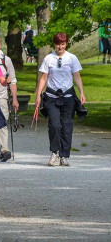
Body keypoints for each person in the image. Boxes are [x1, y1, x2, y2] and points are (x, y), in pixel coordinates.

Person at [35, 33, 85, 167]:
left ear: (66, 44)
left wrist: (81, 93)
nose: (60, 47)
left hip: (68, 97)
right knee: (55, 125)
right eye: (58, 44)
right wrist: (38, 95)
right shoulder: (48, 58)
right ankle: (54, 152)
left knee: (67, 126)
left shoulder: (72, 58)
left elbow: (77, 76)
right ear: (54, 44)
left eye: (62, 44)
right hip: (51, 97)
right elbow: (44, 78)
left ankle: (64, 156)